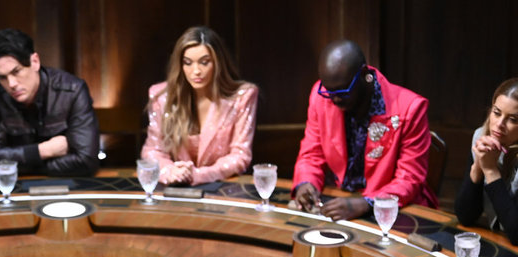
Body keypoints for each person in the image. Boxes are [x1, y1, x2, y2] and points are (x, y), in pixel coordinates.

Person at [291, 40, 437, 221]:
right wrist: (307, 183)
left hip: (395, 209)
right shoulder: (321, 97)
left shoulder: (410, 108)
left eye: (342, 91)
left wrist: (367, 203)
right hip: (342, 200)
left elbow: (409, 179)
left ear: (364, 75)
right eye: (329, 92)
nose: (334, 100)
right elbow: (311, 154)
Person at [141, 26, 258, 185]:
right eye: (188, 63)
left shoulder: (242, 97)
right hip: (176, 189)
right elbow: (153, 151)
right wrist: (171, 172)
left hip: (222, 190)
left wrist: (201, 175)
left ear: (217, 62)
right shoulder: (162, 97)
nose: (196, 71)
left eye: (204, 62)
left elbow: (240, 155)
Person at [0, 28, 100, 177]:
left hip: (68, 187)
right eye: (2, 77)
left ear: (35, 61)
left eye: (16, 71)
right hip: (15, 189)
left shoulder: (73, 90)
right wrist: (43, 151)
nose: (11, 84)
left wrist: (22, 165)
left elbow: (86, 161)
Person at [455, 79, 518, 244]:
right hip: (498, 241)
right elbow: (465, 216)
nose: (499, 124)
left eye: (513, 119)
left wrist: (490, 171)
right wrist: (477, 167)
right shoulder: (481, 137)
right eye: (497, 113)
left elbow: (516, 234)